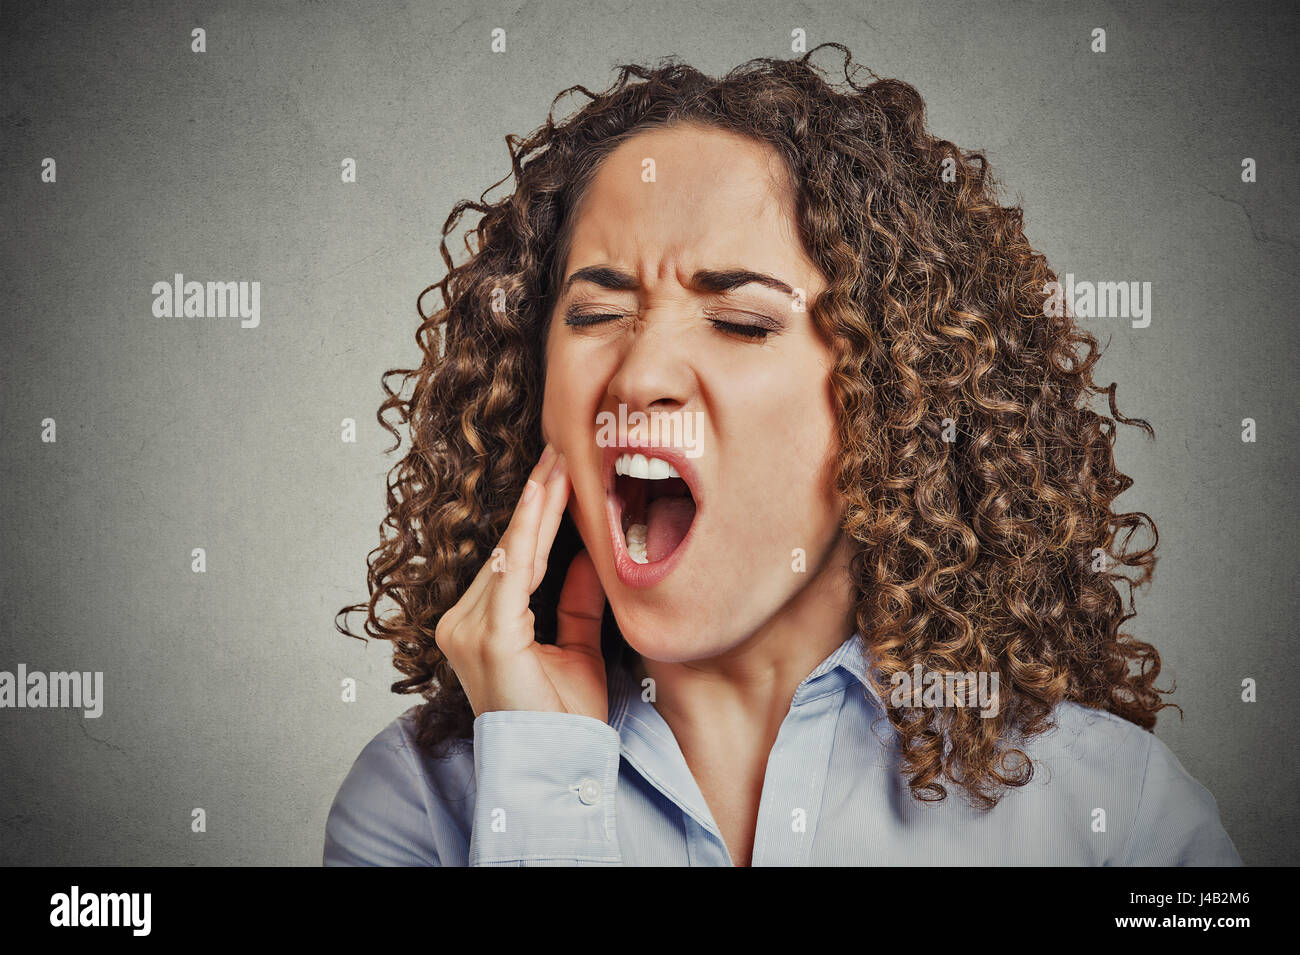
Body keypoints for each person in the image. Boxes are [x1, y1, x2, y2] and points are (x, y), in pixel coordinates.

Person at [325, 46, 1241, 866]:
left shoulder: (1117, 819)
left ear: (894, 395)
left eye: (740, 321)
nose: (639, 376)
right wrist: (540, 791)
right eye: (596, 315)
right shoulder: (421, 807)